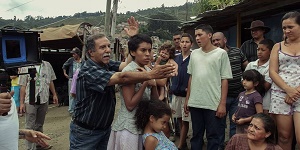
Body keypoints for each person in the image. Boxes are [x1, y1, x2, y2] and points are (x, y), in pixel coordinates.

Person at [69, 16, 176, 150]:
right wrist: (149, 75)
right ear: (91, 52)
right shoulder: (87, 70)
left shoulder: (106, 64)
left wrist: (133, 39)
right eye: (102, 47)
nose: (108, 50)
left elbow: (127, 65)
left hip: (105, 128)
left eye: (108, 46)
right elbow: (122, 77)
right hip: (85, 132)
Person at [184, 24, 232, 150]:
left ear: (209, 35)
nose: (197, 38)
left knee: (214, 137)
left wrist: (222, 104)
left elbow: (224, 79)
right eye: (196, 36)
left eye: (200, 35)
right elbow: (191, 77)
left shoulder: (221, 54)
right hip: (196, 102)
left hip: (213, 104)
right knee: (196, 136)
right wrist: (187, 99)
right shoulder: (194, 54)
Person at [107, 34, 159, 150]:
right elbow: (130, 105)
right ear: (133, 52)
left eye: (149, 50)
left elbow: (154, 102)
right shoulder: (130, 71)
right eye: (143, 50)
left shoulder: (148, 70)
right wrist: (145, 81)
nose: (147, 54)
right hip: (129, 128)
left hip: (142, 125)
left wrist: (154, 85)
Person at [269, 11, 300, 150]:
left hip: (299, 94)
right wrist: (288, 89)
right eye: (284, 28)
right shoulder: (278, 46)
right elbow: (272, 72)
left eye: (291, 27)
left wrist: (295, 92)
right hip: (280, 93)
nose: (287, 31)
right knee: (283, 136)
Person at [212, 32, 248, 149]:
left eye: (218, 40)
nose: (216, 42)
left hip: (238, 95)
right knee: (219, 124)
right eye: (214, 41)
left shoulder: (237, 51)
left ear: (225, 40)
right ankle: (220, 146)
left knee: (235, 123)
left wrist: (245, 83)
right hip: (220, 96)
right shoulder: (212, 55)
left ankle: (233, 146)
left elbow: (246, 67)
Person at [19, 60, 58, 150]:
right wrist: (21, 103)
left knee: (39, 125)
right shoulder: (25, 66)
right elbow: (23, 86)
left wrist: (54, 94)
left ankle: (39, 144)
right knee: (29, 126)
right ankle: (30, 148)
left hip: (44, 99)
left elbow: (51, 81)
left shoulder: (47, 65)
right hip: (30, 100)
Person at [170, 33, 193, 150]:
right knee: (179, 118)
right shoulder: (176, 58)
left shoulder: (193, 58)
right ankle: (183, 143)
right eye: (182, 42)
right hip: (175, 94)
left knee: (185, 120)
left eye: (187, 42)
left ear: (191, 44)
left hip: (186, 95)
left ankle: (180, 146)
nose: (184, 44)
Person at [245, 39, 274, 114]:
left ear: (270, 52)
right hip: (248, 102)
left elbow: (265, 87)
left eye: (263, 50)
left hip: (265, 103)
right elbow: (243, 82)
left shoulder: (272, 66)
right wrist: (261, 80)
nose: (259, 52)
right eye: (258, 49)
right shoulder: (251, 65)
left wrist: (250, 82)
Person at [232, 69, 264, 134]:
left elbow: (259, 113)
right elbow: (239, 107)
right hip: (239, 124)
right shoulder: (241, 94)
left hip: (249, 126)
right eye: (244, 79)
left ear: (256, 83)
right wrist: (234, 115)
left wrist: (245, 120)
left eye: (248, 80)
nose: (244, 82)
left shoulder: (256, 96)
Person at [62, 47, 84, 114]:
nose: (73, 55)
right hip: (72, 79)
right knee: (71, 94)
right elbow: (64, 66)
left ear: (78, 54)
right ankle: (71, 110)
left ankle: (78, 108)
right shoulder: (71, 60)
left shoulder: (83, 61)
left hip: (80, 79)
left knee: (80, 94)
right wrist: (65, 73)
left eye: (74, 54)